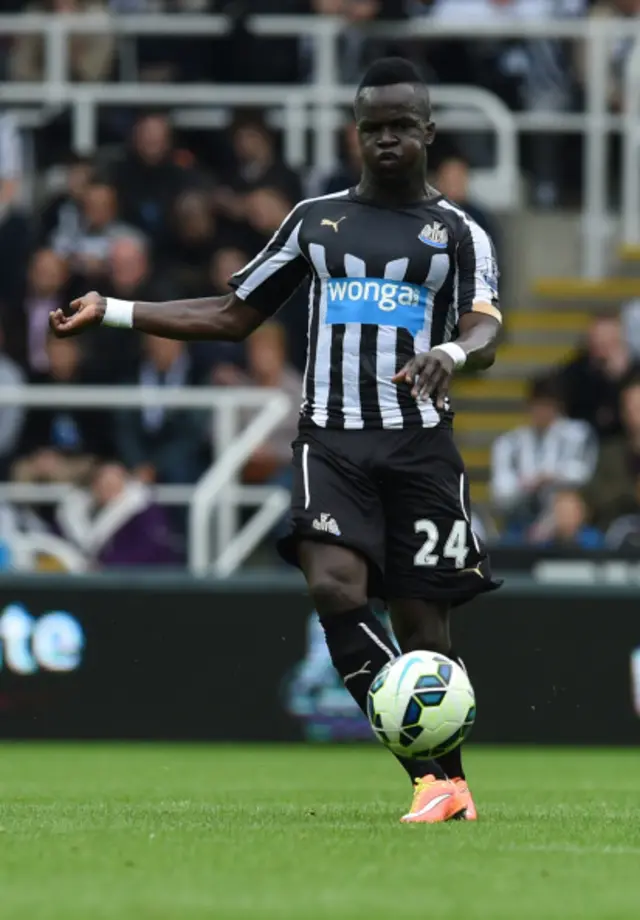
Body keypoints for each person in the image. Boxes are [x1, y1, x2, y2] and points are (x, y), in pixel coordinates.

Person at [50, 58, 502, 825]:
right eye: (372, 129)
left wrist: (451, 354)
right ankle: (428, 778)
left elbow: (486, 326)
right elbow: (233, 314)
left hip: (421, 447)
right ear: (355, 134)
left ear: (427, 132)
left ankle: (449, 781)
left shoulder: (458, 232)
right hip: (329, 440)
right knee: (331, 585)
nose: (386, 140)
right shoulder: (315, 221)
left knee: (425, 627)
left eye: (400, 127)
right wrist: (118, 308)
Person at [491, 375, 597, 539]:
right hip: (521, 519)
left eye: (548, 406)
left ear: (558, 407)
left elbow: (583, 473)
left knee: (568, 501)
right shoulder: (510, 443)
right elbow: (500, 491)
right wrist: (525, 485)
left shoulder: (577, 434)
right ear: (530, 406)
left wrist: (550, 477)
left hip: (566, 519)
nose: (543, 412)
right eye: (539, 405)